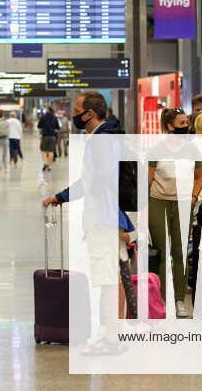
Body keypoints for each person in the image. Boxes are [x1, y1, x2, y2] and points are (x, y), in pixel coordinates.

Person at [42, 91, 135, 353]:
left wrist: (94, 207)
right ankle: (114, 334)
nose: (74, 114)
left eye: (77, 109)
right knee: (113, 276)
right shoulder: (109, 136)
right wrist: (61, 197)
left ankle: (110, 339)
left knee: (106, 278)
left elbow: (100, 178)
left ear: (90, 114)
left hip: (103, 217)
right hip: (110, 215)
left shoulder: (101, 141)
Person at [147, 108, 202, 317]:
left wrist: (194, 197)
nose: (185, 126)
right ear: (170, 126)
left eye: (186, 122)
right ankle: (161, 299)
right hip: (158, 201)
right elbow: (148, 178)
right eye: (181, 123)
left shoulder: (192, 150)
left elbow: (199, 177)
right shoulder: (156, 150)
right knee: (163, 250)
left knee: (179, 252)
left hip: (183, 203)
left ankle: (180, 299)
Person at [38, 106, 60, 171]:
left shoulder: (43, 117)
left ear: (47, 110)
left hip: (45, 136)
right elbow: (58, 127)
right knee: (51, 151)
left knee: (43, 150)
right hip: (52, 136)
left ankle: (46, 163)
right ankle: (49, 165)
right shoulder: (55, 117)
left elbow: (39, 126)